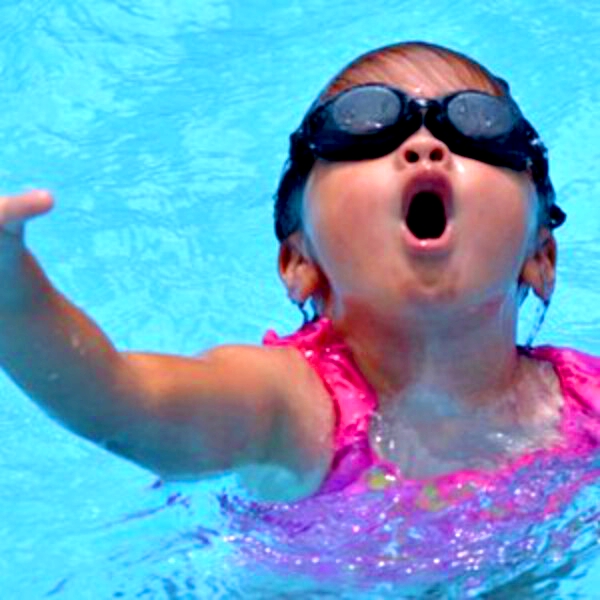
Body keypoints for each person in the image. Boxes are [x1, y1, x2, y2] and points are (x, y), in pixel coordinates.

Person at [1, 41, 599, 503]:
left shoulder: (585, 403)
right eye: (365, 134)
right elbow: (124, 403)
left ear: (541, 256)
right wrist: (12, 292)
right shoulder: (289, 408)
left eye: (478, 130)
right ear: (298, 263)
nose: (425, 147)